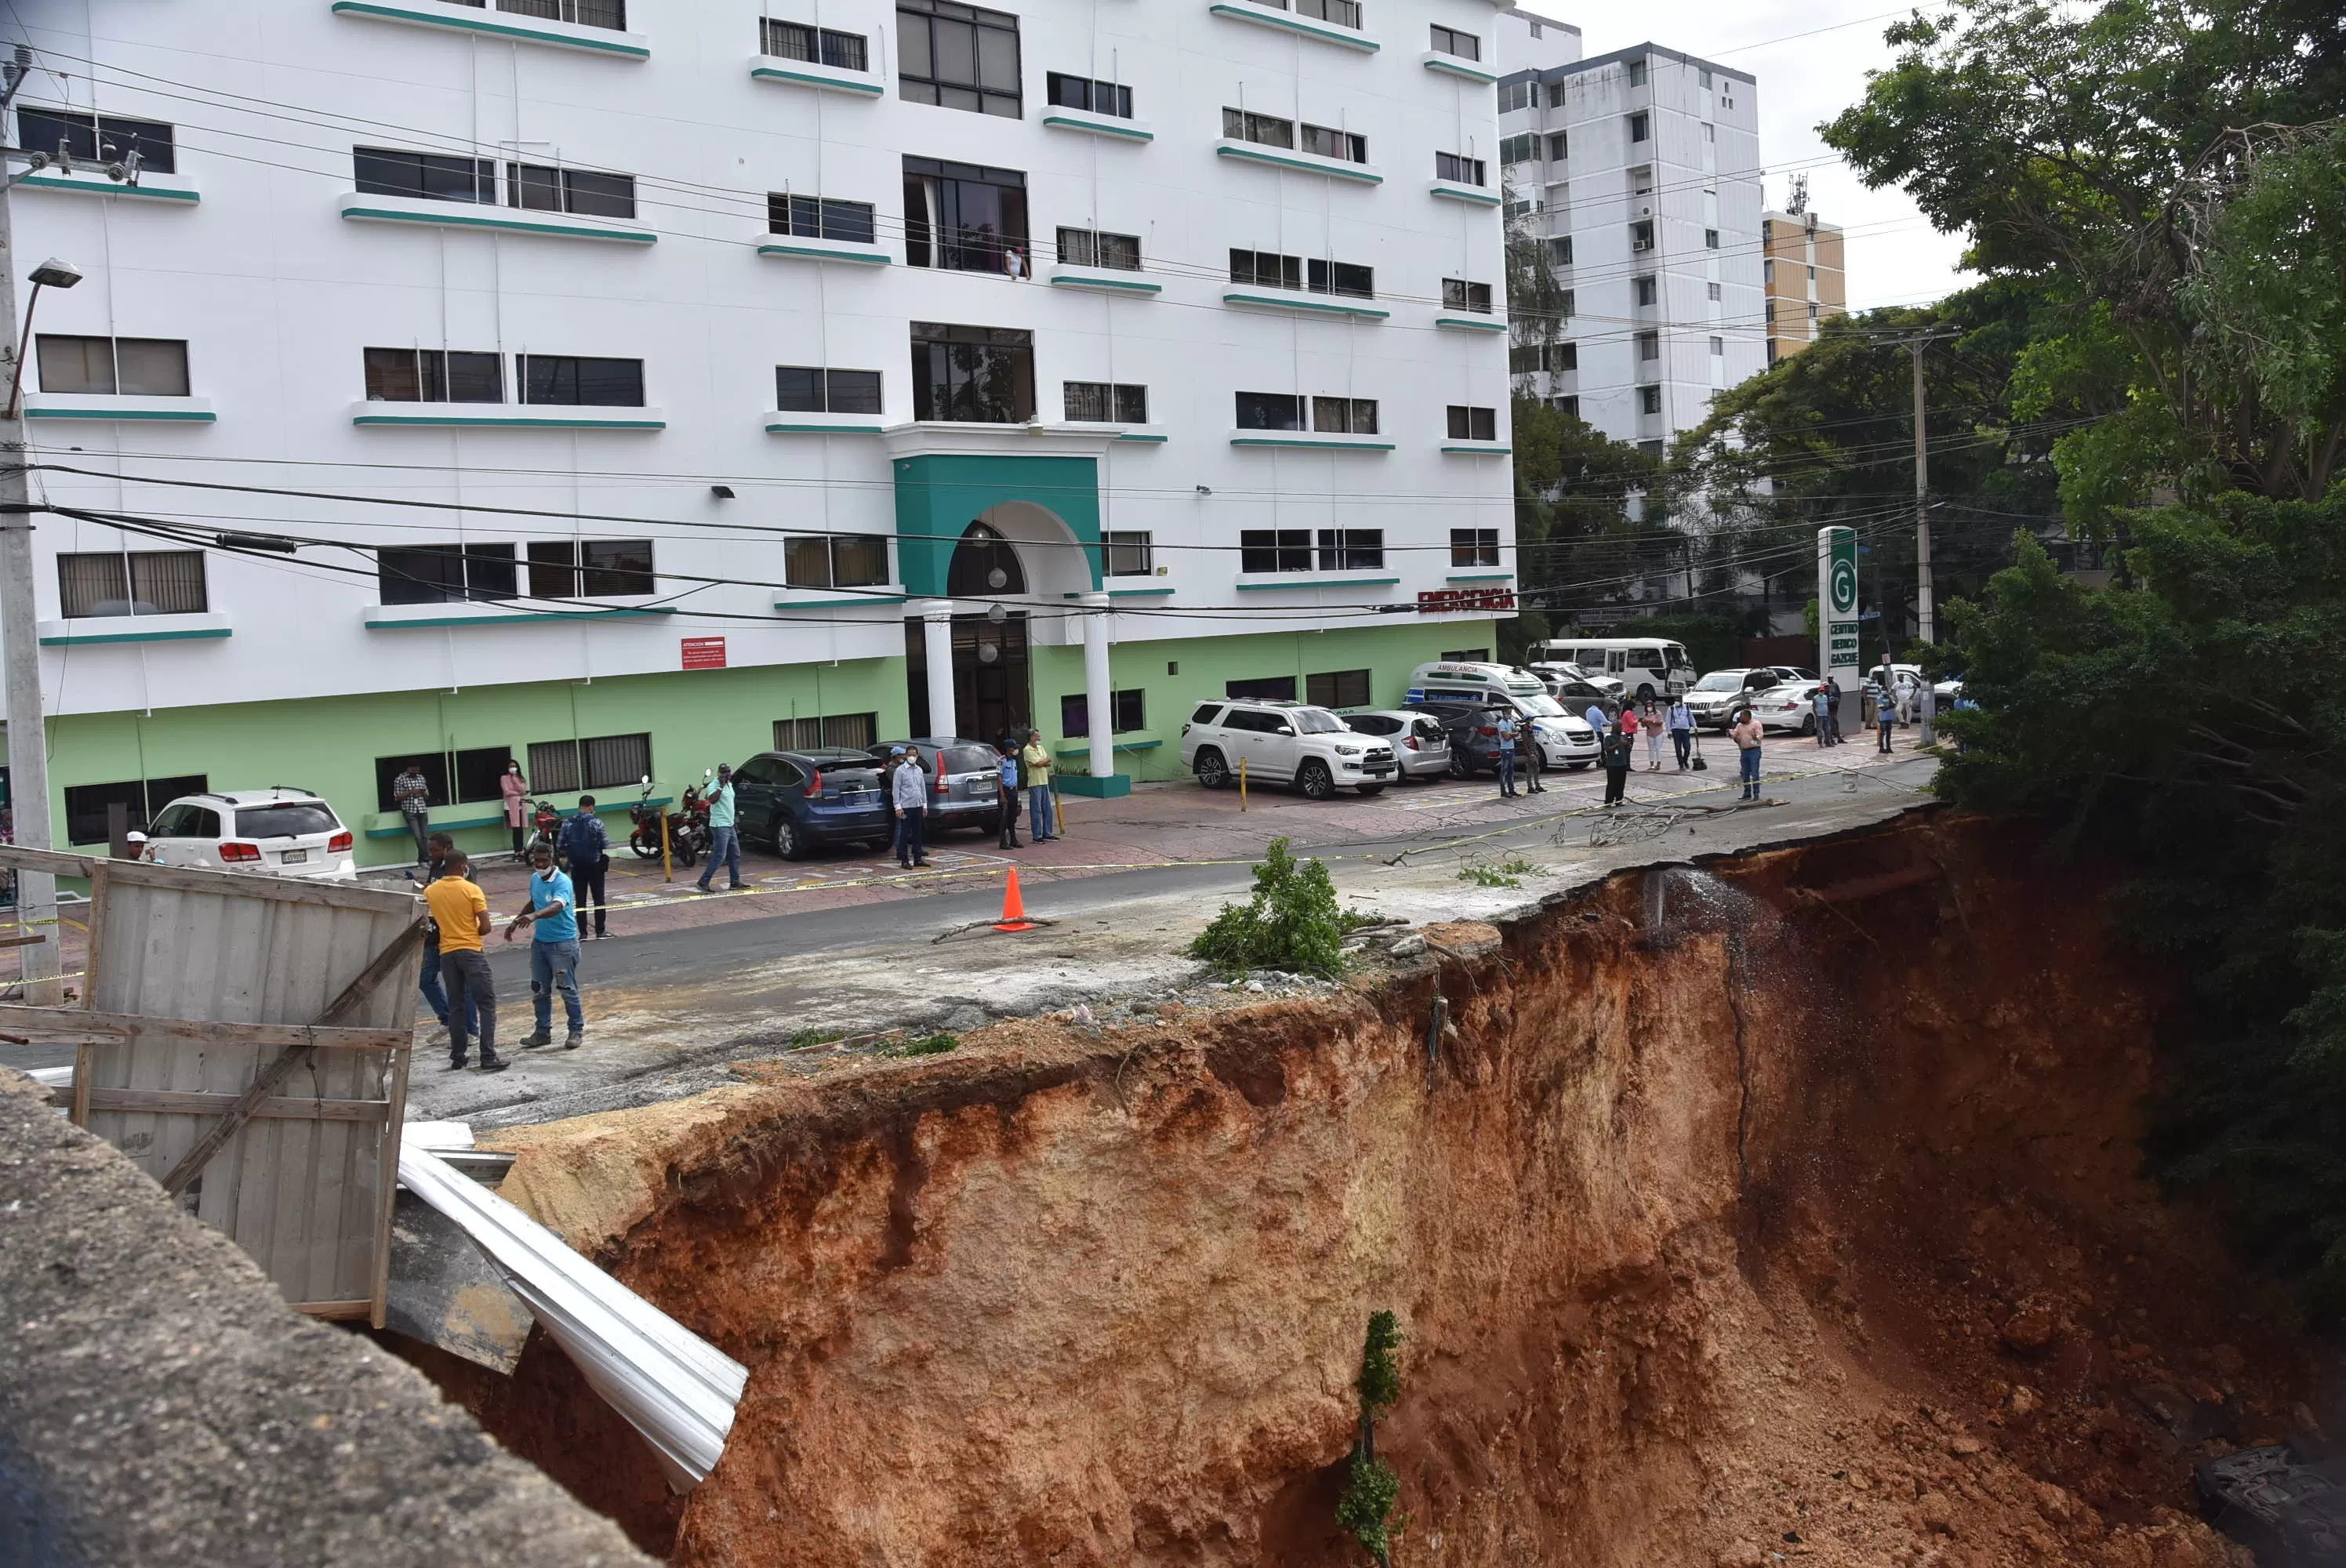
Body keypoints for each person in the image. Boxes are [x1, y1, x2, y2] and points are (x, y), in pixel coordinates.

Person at [424, 851, 503, 1073]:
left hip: (447, 953)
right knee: (486, 1004)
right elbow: (486, 927)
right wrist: (471, 932)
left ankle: (458, 1056)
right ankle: (488, 1055)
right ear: (462, 866)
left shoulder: (432, 891)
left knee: (456, 1005)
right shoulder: (472, 890)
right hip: (471, 950)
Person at [504, 843, 583, 1051]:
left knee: (567, 989)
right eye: (536, 861)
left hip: (563, 944)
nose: (539, 865)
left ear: (553, 859)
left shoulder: (563, 882)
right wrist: (517, 920)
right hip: (541, 943)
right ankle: (542, 1033)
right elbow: (534, 901)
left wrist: (535, 916)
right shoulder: (535, 879)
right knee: (539, 990)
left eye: (543, 861)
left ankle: (576, 1030)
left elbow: (557, 905)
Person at [412, 832, 476, 1047]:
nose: (431, 855)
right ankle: (448, 1020)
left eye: (435, 850)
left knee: (461, 986)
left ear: (448, 848)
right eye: (430, 851)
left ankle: (471, 1030)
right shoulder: (435, 867)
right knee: (425, 979)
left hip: (455, 936)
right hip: (434, 934)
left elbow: (461, 895)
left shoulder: (463, 869)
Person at [558, 795, 610, 939]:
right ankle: (600, 931)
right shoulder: (596, 823)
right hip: (595, 864)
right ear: (591, 806)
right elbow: (605, 843)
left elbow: (560, 844)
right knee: (599, 898)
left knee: (580, 900)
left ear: (580, 805)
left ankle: (583, 933)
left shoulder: (568, 823)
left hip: (577, 866)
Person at [694, 763, 744, 893]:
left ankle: (735, 882)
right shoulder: (714, 785)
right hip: (720, 825)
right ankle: (703, 882)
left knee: (735, 853)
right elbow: (712, 800)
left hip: (729, 824)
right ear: (718, 774)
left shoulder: (730, 784)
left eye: (728, 772)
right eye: (723, 772)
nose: (726, 774)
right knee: (720, 856)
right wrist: (721, 786)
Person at [891, 746, 932, 868]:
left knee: (917, 833)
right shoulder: (900, 771)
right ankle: (904, 859)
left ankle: (918, 858)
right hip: (905, 806)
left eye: (914, 755)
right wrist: (898, 807)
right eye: (909, 755)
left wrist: (924, 804)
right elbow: (896, 789)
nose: (912, 757)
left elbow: (922, 788)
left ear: (917, 756)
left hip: (918, 805)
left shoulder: (919, 770)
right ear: (905, 756)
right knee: (904, 833)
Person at [392, 760, 432, 864]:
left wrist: (423, 793)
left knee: (424, 836)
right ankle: (426, 859)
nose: (415, 771)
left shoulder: (421, 778)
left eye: (417, 769)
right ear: (408, 768)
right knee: (417, 836)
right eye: (413, 769)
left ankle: (422, 860)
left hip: (422, 809)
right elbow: (397, 796)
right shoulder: (400, 779)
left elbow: (427, 796)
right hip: (409, 810)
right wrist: (411, 792)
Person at [1021, 729, 1057, 843]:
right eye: (1037, 736)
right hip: (1035, 783)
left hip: (1044, 782)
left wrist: (1043, 762)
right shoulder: (1027, 750)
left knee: (1047, 809)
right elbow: (1040, 763)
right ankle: (1037, 835)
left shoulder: (1041, 748)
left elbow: (1047, 762)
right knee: (1036, 810)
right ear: (1031, 737)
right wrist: (1043, 762)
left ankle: (1048, 833)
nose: (1039, 738)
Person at [1600, 713, 1637, 807]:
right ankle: (1608, 801)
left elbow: (1628, 750)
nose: (1621, 728)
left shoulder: (1623, 735)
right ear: (1615, 728)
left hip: (1622, 763)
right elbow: (1607, 749)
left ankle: (1619, 800)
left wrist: (1628, 744)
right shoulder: (1609, 737)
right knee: (1612, 784)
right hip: (1612, 764)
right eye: (1619, 727)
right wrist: (1618, 744)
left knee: (1621, 783)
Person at [1730, 706, 1765, 801]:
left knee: (1754, 773)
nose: (1740, 719)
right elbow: (1734, 734)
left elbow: (1760, 735)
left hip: (1754, 750)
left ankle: (1756, 793)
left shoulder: (1756, 724)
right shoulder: (1739, 725)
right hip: (1744, 751)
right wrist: (1730, 734)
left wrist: (1756, 737)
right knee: (1745, 773)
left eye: (1742, 717)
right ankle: (1747, 793)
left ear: (1747, 717)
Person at [996, 739, 1023, 850]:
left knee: (1013, 817)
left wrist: (1016, 792)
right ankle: (1003, 842)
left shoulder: (1014, 761)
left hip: (1013, 791)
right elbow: (999, 777)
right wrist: (1002, 795)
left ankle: (1013, 840)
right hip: (1005, 791)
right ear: (1009, 749)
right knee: (1004, 817)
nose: (1016, 750)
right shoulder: (1001, 761)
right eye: (1014, 748)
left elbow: (1015, 778)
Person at [499, 760, 529, 855]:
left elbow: (523, 790)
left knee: (520, 829)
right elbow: (507, 792)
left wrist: (515, 780)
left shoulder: (520, 778)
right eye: (511, 766)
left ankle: (521, 850)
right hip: (510, 807)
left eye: (515, 766)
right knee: (516, 829)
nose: (513, 768)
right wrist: (519, 793)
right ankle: (517, 850)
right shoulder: (504, 778)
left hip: (520, 806)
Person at [1493, 709, 1520, 798]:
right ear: (1504, 713)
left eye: (1511, 713)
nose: (1510, 715)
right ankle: (1503, 791)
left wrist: (1512, 733)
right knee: (1504, 770)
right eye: (1509, 713)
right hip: (1505, 749)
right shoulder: (1501, 724)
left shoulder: (1510, 722)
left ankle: (1511, 790)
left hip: (1511, 748)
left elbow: (1516, 732)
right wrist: (1512, 734)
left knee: (1511, 771)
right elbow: (1507, 737)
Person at [1666, 694, 1695, 771]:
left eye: (1678, 701)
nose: (1677, 702)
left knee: (1687, 747)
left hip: (1685, 730)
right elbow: (1668, 720)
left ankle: (1685, 760)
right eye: (1676, 701)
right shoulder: (1671, 708)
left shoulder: (1687, 708)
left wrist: (1695, 727)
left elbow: (1691, 718)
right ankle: (1681, 763)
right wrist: (1669, 731)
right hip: (1676, 731)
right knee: (1678, 748)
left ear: (1682, 701)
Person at [1640, 699, 1666, 771]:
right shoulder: (1645, 714)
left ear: (1653, 706)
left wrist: (1651, 721)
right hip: (1650, 733)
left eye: (1650, 706)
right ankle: (1651, 764)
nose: (1649, 707)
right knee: (1651, 749)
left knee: (1658, 748)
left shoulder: (1658, 713)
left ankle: (1658, 764)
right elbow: (1643, 725)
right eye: (1647, 706)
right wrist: (1643, 722)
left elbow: (1660, 723)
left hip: (1658, 733)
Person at [1811, 684, 1835, 748]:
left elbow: (1826, 706)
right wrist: (1816, 716)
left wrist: (1828, 714)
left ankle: (1827, 742)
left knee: (1827, 730)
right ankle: (1820, 742)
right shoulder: (1815, 698)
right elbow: (1814, 708)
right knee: (1819, 731)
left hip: (1825, 715)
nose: (1822, 692)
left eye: (1823, 691)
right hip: (1819, 715)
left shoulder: (1825, 697)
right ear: (1818, 691)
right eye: (1820, 691)